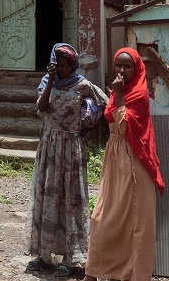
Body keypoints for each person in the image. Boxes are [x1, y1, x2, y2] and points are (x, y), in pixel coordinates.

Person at [85, 46, 165, 281]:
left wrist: (118, 95)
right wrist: (117, 95)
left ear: (137, 68)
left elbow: (122, 126)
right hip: (115, 157)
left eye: (127, 66)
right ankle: (97, 271)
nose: (122, 70)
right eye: (118, 65)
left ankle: (135, 274)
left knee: (136, 221)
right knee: (103, 216)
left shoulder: (138, 94)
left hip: (135, 161)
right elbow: (111, 119)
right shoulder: (118, 91)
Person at [27, 42, 101, 278]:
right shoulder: (46, 82)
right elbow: (42, 107)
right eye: (57, 64)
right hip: (49, 146)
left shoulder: (82, 85)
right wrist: (50, 80)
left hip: (70, 149)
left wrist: (87, 120)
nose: (60, 69)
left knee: (69, 199)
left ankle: (72, 258)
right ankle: (45, 254)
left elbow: (105, 103)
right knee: (47, 196)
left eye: (64, 65)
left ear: (73, 64)